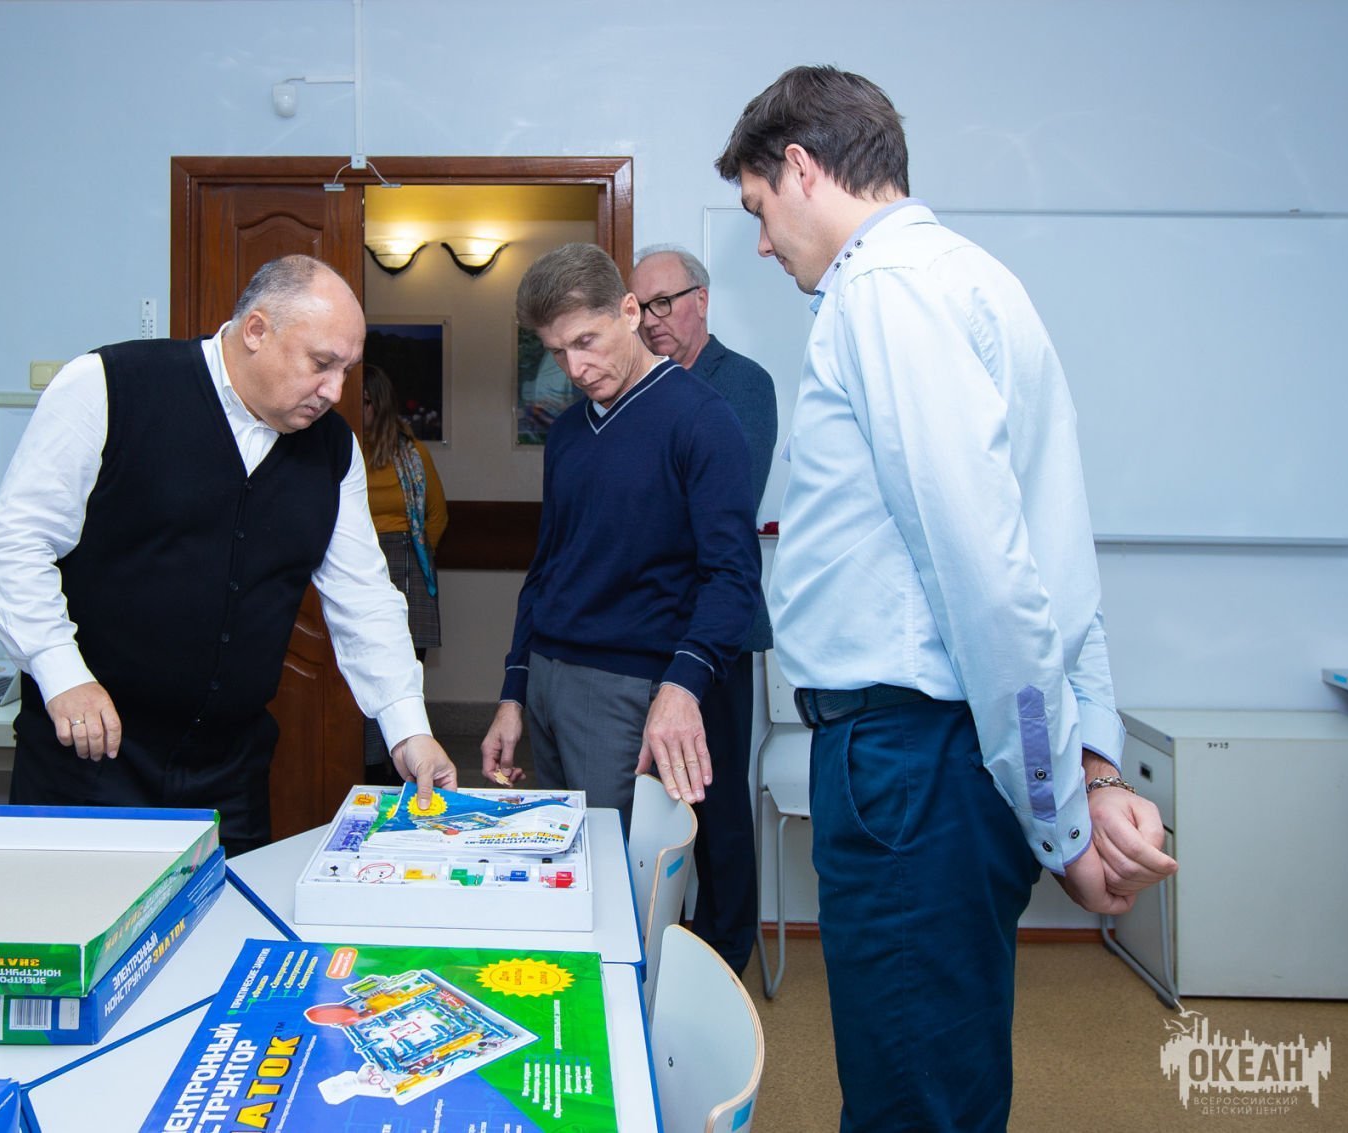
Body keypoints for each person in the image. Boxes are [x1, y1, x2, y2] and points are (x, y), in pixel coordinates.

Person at [716, 66, 1177, 1130]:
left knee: (911, 1100)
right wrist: (1090, 760)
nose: (761, 242)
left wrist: (1063, 818)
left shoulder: (883, 291)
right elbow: (1054, 563)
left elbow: (988, 583)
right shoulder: (975, 279)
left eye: (756, 207)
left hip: (908, 765)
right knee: (945, 1078)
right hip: (942, 761)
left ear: (801, 166)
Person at [0, 255, 457, 853]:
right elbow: (12, 546)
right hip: (90, 758)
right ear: (256, 331)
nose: (335, 391)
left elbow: (364, 599)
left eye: (346, 371)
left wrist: (409, 730)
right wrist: (61, 673)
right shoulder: (107, 386)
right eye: (321, 364)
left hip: (229, 775)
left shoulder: (335, 450)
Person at [480, 242, 760, 833]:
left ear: (630, 312)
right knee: (561, 863)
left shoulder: (702, 419)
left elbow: (732, 575)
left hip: (623, 690)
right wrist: (513, 694)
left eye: (586, 341)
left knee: (617, 871)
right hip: (547, 681)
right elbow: (546, 570)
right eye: (557, 352)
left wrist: (684, 685)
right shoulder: (567, 433)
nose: (575, 368)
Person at [629, 244, 777, 976]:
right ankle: (664, 944)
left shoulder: (742, 384)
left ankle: (725, 957)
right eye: (641, 307)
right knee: (651, 802)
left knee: (713, 800)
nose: (653, 320)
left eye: (665, 302)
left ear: (701, 301)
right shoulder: (637, 388)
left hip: (716, 633)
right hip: (644, 631)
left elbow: (719, 507)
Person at [358, 363, 447, 771]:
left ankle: (399, 766)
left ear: (379, 404)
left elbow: (436, 516)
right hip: (358, 563)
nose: (356, 409)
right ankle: (362, 767)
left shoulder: (412, 454)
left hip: (406, 565)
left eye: (363, 402)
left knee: (403, 674)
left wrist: (415, 556)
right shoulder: (340, 449)